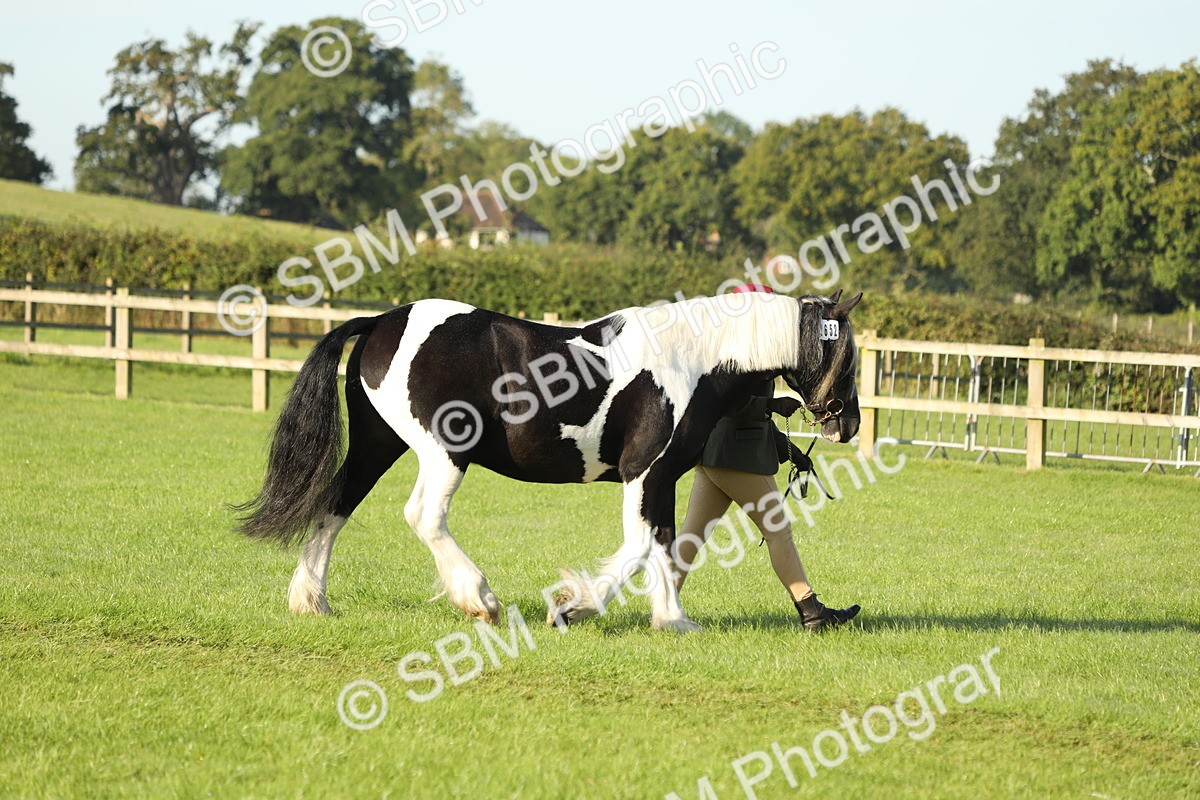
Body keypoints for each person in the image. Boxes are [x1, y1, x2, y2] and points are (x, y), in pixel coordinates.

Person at [673, 284, 861, 632]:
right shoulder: (736, 353)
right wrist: (773, 404)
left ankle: (666, 604)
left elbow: (752, 420)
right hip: (733, 455)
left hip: (718, 453)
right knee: (779, 531)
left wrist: (792, 454)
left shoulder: (742, 347)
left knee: (691, 535)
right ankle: (812, 611)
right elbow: (731, 408)